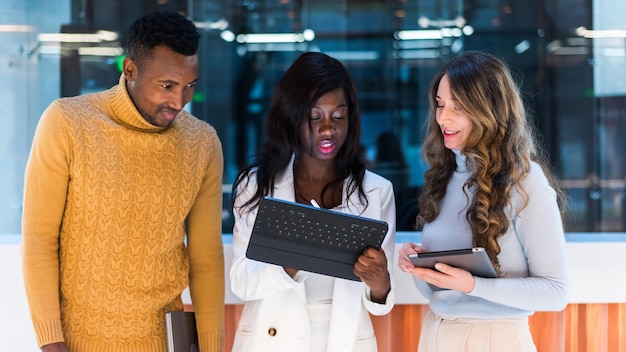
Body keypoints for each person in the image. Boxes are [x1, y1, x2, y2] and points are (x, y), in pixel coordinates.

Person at [21, 11, 225, 352]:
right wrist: (51, 342)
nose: (179, 101)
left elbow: (206, 259)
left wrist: (211, 346)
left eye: (190, 85)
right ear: (130, 70)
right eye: (167, 86)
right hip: (78, 342)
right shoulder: (67, 123)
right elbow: (40, 239)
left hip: (165, 342)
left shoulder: (202, 143)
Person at [397, 51, 570, 352]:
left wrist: (473, 285)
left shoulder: (525, 181)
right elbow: (439, 293)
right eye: (440, 105)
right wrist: (419, 268)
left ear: (488, 110)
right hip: (436, 334)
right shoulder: (444, 176)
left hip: (494, 340)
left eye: (458, 106)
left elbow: (555, 292)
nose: (443, 118)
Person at [229, 51, 396, 352]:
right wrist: (294, 259)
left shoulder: (376, 191)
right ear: (291, 118)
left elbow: (380, 305)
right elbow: (242, 283)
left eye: (338, 117)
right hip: (270, 341)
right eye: (314, 117)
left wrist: (380, 282)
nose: (328, 129)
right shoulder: (256, 186)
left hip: (346, 341)